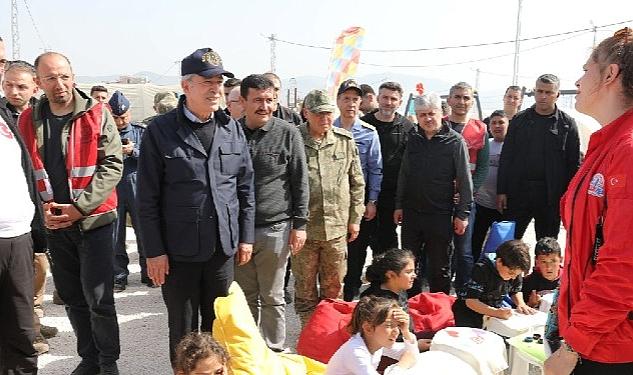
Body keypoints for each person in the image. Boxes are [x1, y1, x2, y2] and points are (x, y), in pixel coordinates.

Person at [137, 47, 255, 363]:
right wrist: (154, 251)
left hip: (221, 249)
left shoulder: (232, 128)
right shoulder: (159, 131)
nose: (215, 88)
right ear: (186, 86)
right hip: (178, 253)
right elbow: (146, 198)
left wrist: (246, 237)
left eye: (219, 81)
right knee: (184, 331)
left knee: (219, 326)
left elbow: (245, 188)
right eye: (207, 82)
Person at [19, 51, 123, 374]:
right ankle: (89, 358)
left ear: (73, 76)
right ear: (39, 83)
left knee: (98, 298)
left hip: (94, 221)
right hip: (55, 225)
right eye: (50, 78)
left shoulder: (97, 113)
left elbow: (113, 164)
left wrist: (79, 208)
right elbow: (26, 171)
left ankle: (108, 363)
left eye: (64, 76)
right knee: (72, 297)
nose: (59, 84)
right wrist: (43, 213)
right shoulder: (29, 120)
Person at [545, 27, 633, 374]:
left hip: (610, 345)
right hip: (592, 332)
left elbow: (624, 264)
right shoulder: (608, 144)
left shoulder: (626, 151)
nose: (579, 81)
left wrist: (573, 346)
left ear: (610, 74)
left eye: (586, 69)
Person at [233, 74, 309, 352]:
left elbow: (300, 181)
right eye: (257, 100)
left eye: (269, 100)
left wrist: (299, 225)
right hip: (240, 232)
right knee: (245, 296)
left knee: (273, 296)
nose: (264, 106)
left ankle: (274, 350)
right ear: (242, 101)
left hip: (276, 229)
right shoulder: (230, 132)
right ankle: (250, 351)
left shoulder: (288, 133)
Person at [293, 89, 365, 326]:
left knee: (334, 288)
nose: (325, 118)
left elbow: (357, 182)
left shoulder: (344, 141)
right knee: (304, 289)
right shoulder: (293, 140)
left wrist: (355, 218)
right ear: (306, 113)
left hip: (336, 228)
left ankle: (330, 332)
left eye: (328, 113)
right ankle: (308, 332)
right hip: (304, 231)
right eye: (319, 114)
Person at [1, 60, 58, 356]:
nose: (13, 91)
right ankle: (30, 328)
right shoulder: (3, 117)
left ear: (34, 86)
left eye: (21, 86)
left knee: (39, 267)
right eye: (8, 84)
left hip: (39, 205)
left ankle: (34, 319)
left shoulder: (41, 115)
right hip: (14, 217)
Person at [394, 92, 472, 296]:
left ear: (441, 113)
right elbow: (404, 174)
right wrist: (398, 205)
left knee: (440, 268)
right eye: (422, 115)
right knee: (410, 267)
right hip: (412, 214)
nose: (427, 119)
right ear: (417, 117)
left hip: (440, 215)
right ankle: (413, 309)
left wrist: (463, 214)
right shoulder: (413, 139)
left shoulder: (455, 142)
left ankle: (440, 311)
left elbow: (465, 181)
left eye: (431, 113)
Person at [497, 74, 581, 241]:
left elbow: (574, 165)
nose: (543, 96)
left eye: (548, 92)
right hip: (518, 193)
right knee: (509, 245)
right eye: (540, 91)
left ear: (557, 95)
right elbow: (506, 157)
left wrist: (570, 198)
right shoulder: (519, 121)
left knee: (547, 247)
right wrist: (501, 191)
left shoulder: (567, 124)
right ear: (534, 92)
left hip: (551, 196)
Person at [334, 79, 383, 302]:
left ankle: (350, 299)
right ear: (338, 101)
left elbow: (375, 168)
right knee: (334, 255)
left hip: (358, 203)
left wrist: (372, 200)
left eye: (355, 99)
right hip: (332, 204)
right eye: (346, 99)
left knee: (356, 253)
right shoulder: (327, 128)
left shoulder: (368, 133)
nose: (351, 104)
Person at [361, 82, 415, 256]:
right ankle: (353, 283)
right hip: (363, 195)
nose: (388, 102)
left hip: (391, 198)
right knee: (358, 243)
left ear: (400, 102)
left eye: (393, 99)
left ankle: (382, 283)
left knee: (387, 244)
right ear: (377, 98)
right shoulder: (363, 125)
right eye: (385, 97)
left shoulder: (408, 128)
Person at [446, 81, 489, 292]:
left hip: (466, 200)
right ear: (449, 99)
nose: (461, 101)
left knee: (464, 250)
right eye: (457, 97)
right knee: (437, 247)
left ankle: (464, 290)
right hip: (440, 198)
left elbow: (482, 168)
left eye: (466, 97)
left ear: (472, 101)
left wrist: (467, 194)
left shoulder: (480, 130)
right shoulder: (438, 124)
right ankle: (436, 288)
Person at [108, 90, 151, 291]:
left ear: (130, 114)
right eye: (116, 118)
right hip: (114, 189)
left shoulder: (141, 132)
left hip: (137, 188)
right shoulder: (105, 133)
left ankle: (149, 272)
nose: (120, 122)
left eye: (123, 117)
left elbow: (153, 159)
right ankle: (119, 276)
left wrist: (133, 151)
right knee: (115, 235)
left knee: (145, 232)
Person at [452, 240, 535, 329]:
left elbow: (515, 290)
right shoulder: (482, 270)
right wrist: (496, 313)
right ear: (499, 262)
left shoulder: (514, 271)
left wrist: (521, 304)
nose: (514, 277)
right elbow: (471, 301)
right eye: (511, 273)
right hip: (470, 313)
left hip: (494, 310)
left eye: (517, 275)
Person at [325, 296, 418, 375]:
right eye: (389, 325)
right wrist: (401, 366)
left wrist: (405, 331)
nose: (396, 331)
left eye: (398, 325)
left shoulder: (376, 343)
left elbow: (411, 355)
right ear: (368, 328)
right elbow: (407, 360)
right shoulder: (355, 351)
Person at [471, 110, 509, 261]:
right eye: (493, 123)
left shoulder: (513, 147)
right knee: (476, 240)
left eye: (501, 122)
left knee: (500, 245)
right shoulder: (485, 145)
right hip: (481, 203)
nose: (497, 126)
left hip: (503, 207)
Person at [521, 237, 561, 308]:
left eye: (553, 261)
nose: (548, 267)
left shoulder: (569, 280)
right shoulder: (528, 282)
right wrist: (531, 305)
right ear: (537, 261)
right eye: (543, 262)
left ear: (561, 260)